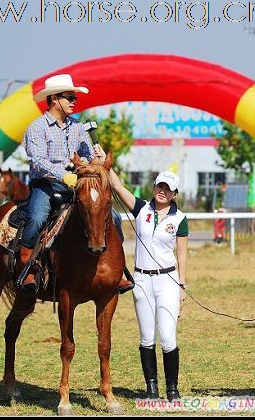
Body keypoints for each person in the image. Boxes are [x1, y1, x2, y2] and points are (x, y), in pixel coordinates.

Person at [17, 74, 132, 294]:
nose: (73, 101)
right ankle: (27, 264)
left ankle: (117, 271)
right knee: (37, 216)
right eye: (69, 97)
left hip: (77, 184)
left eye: (74, 98)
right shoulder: (37, 127)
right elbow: (37, 160)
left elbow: (89, 157)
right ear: (53, 99)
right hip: (46, 184)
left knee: (113, 216)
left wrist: (96, 159)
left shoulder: (78, 127)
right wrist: (63, 175)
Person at [96, 143, 188, 402]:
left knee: (168, 337)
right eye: (159, 186)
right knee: (146, 337)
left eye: (167, 189)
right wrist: (106, 162)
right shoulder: (141, 208)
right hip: (141, 280)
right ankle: (151, 388)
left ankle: (172, 388)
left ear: (174, 194)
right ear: (154, 187)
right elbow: (116, 186)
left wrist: (182, 286)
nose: (162, 191)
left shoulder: (180, 218)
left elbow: (182, 254)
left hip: (168, 280)